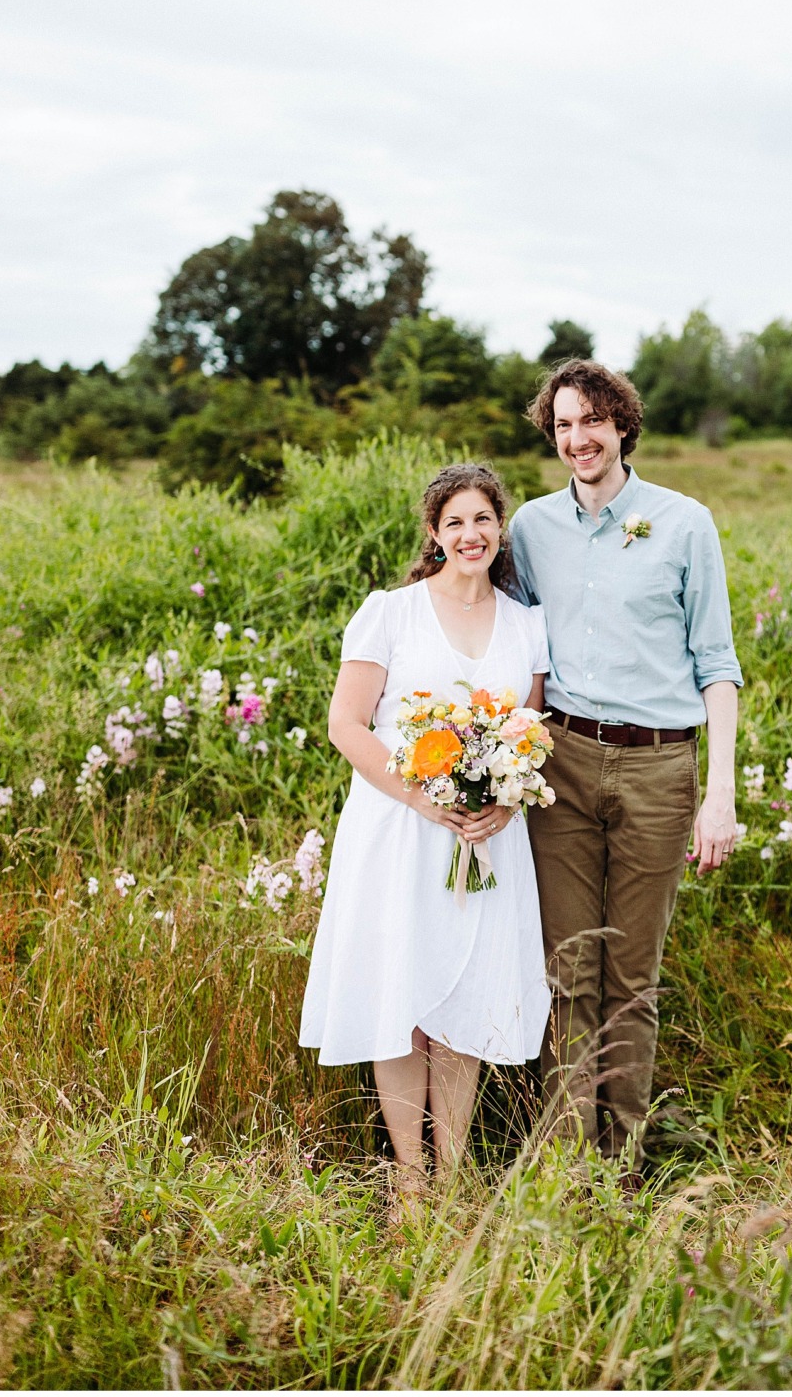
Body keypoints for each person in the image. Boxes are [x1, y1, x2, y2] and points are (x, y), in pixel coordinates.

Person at [508, 360, 742, 1162]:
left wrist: (721, 795)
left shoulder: (684, 523)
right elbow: (508, 639)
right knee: (568, 972)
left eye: (593, 422)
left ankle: (624, 1162)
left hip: (658, 770)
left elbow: (718, 665)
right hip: (562, 763)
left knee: (630, 979)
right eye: (564, 425)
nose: (579, 439)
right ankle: (567, 1166)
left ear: (623, 426)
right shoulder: (531, 529)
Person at [299, 462, 551, 1203]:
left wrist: (504, 802)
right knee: (401, 998)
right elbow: (346, 723)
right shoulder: (391, 612)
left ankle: (453, 1176)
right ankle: (410, 1184)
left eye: (482, 520)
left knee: (466, 999)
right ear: (433, 535)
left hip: (486, 837)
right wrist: (422, 798)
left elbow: (529, 732)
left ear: (499, 528)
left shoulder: (525, 622)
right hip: (401, 832)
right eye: (455, 523)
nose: (470, 535)